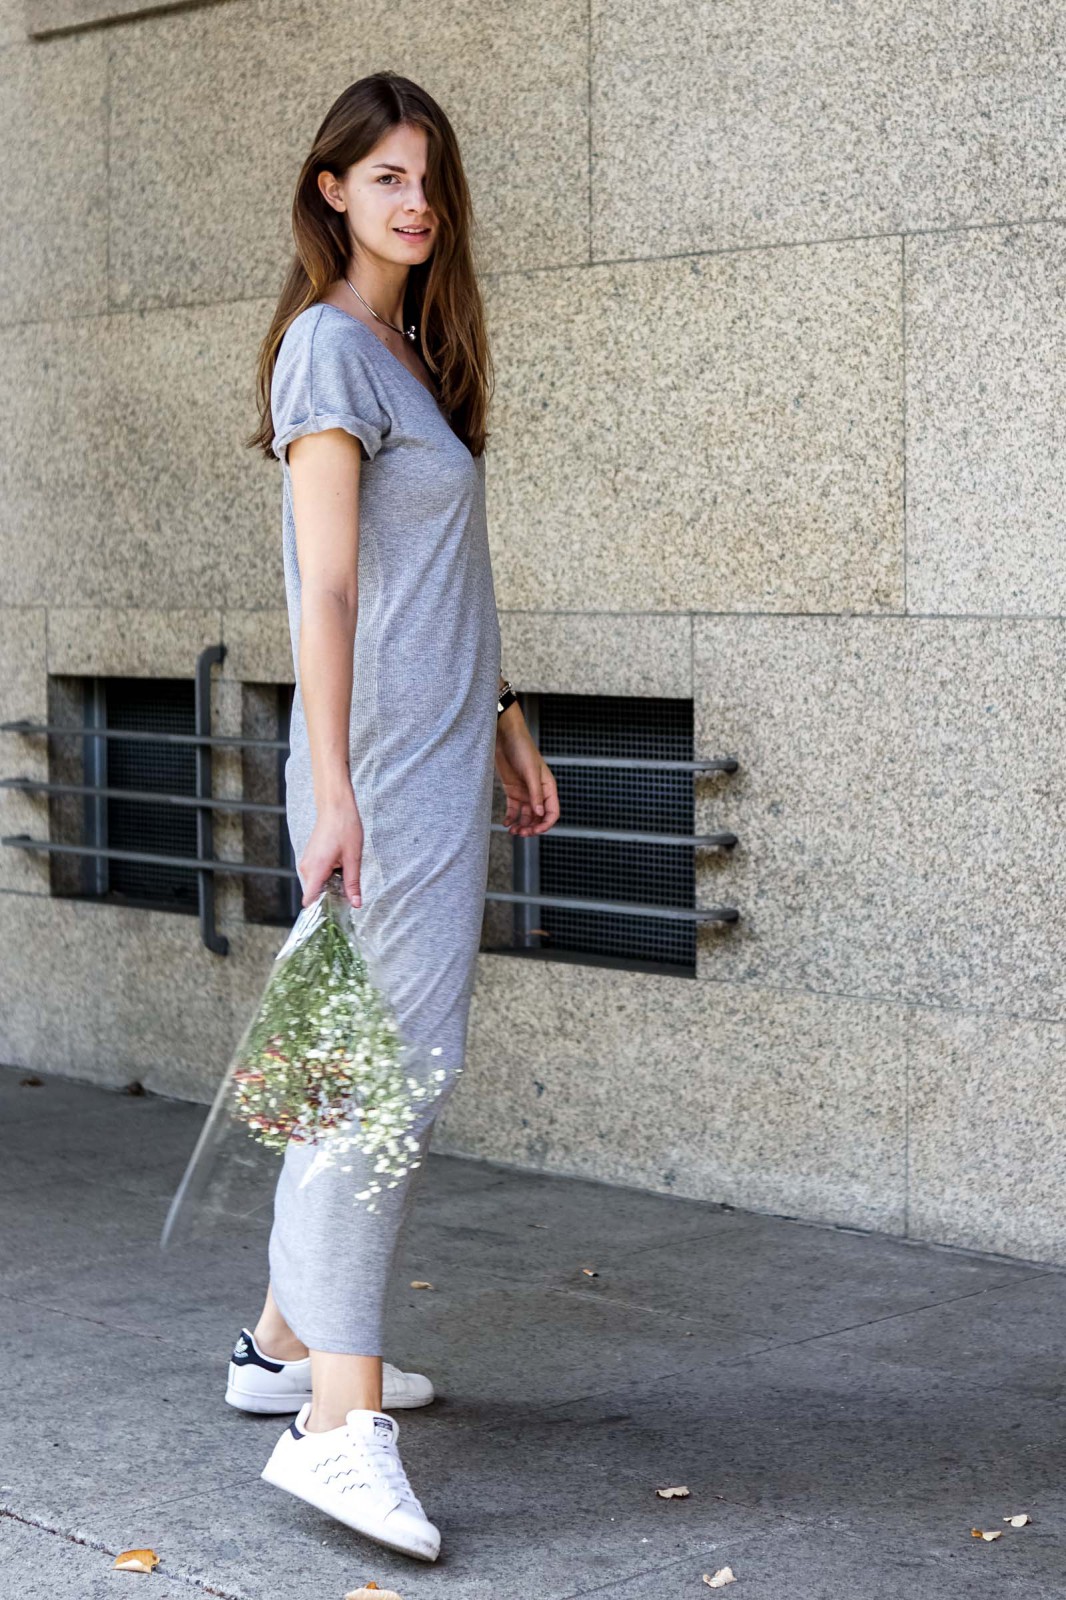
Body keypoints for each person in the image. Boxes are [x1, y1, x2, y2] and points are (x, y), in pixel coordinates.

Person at [238, 71, 560, 1562]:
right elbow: (330, 587)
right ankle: (333, 1430)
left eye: (427, 177)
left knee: (347, 1066)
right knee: (385, 1076)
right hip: (377, 775)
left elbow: (437, 579)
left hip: (436, 756)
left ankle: (284, 1346)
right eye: (383, 178)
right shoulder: (326, 351)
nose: (414, 202)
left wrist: (499, 716)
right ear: (331, 194)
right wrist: (341, 784)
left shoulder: (409, 354)